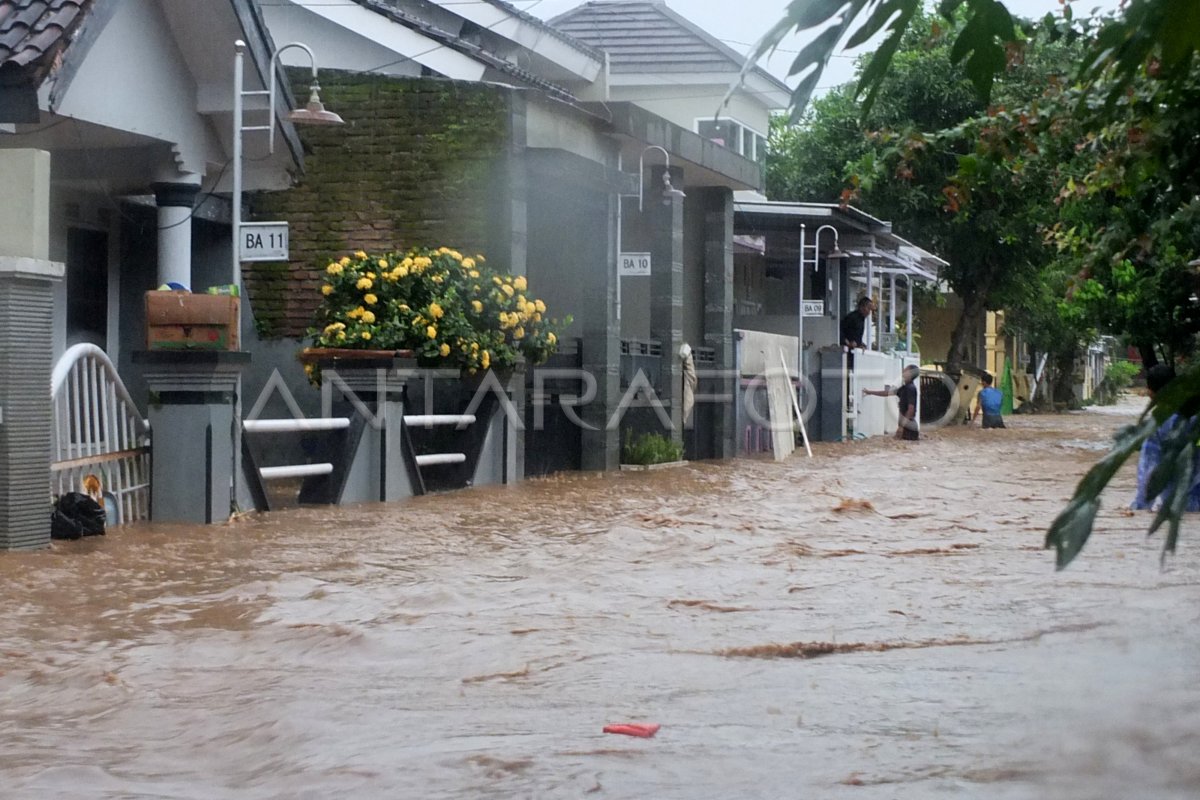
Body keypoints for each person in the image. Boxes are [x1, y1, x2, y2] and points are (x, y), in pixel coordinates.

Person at [1132, 364, 1200, 511]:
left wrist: (1139, 508)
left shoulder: (1159, 424)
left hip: (1176, 506)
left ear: (1151, 393)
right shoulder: (1196, 415)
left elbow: (1149, 471)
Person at [862, 364, 921, 440]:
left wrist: (901, 427)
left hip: (908, 428)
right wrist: (870, 392)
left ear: (910, 373)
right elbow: (887, 393)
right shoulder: (904, 388)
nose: (903, 371)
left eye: (905, 370)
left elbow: (911, 410)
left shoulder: (910, 388)